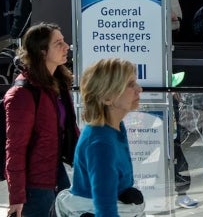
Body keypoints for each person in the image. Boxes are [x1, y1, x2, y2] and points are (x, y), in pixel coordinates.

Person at [4, 23, 78, 217]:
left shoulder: (57, 84)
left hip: (56, 173)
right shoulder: (22, 94)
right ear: (42, 51)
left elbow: (70, 129)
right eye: (58, 43)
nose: (66, 46)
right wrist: (17, 196)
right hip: (35, 186)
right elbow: (15, 148)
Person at [55, 58, 142, 217]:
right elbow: (104, 206)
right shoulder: (101, 142)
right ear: (107, 98)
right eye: (130, 85)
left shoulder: (116, 127)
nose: (139, 89)